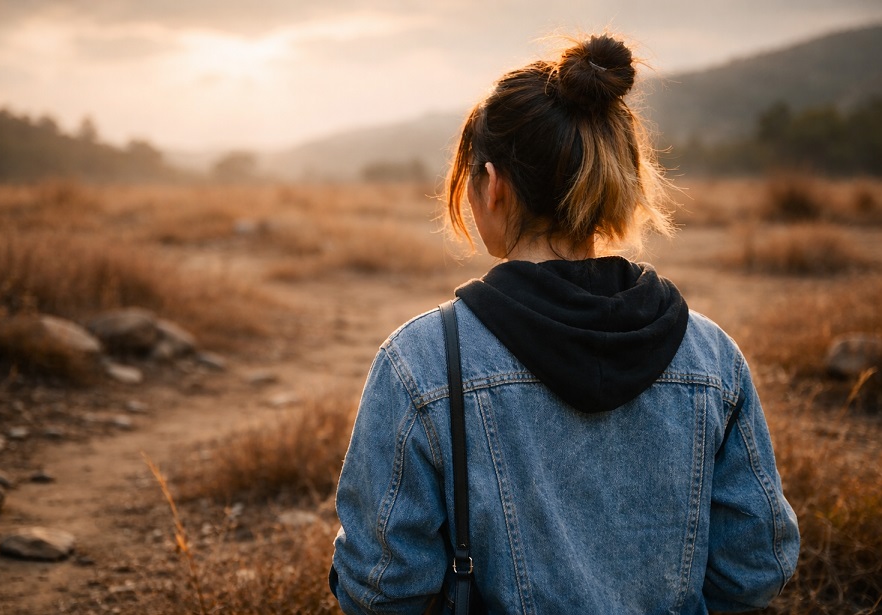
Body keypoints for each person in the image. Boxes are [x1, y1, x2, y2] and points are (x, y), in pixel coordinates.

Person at [330, 33, 799, 614]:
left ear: (493, 185)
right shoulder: (711, 356)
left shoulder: (424, 359)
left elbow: (379, 590)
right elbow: (755, 567)